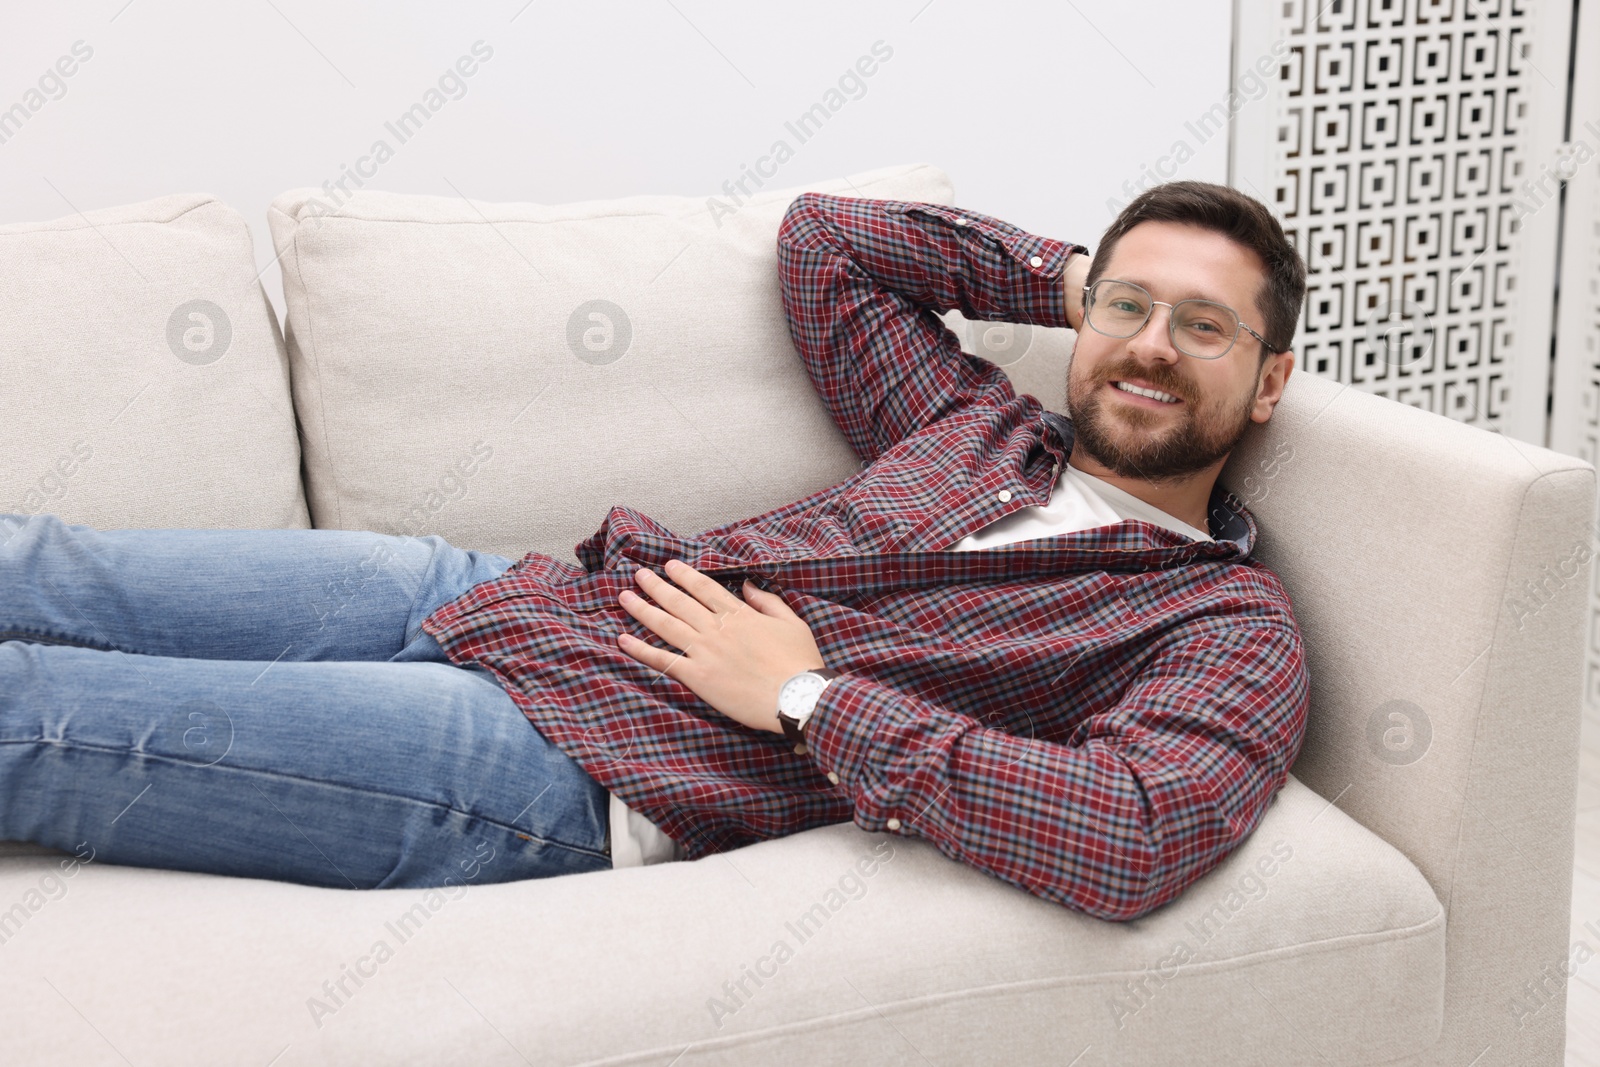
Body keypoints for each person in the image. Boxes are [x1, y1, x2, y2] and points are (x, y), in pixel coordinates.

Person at [0, 179, 1307, 921]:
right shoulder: (979, 426)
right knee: (49, 567)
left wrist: (811, 702)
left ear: (1266, 384)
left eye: (1203, 328)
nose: (1148, 346)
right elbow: (828, 248)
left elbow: (1135, 836)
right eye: (1131, 309)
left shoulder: (1221, 626)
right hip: (517, 601)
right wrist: (1076, 277)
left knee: (36, 713)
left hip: (569, 770)